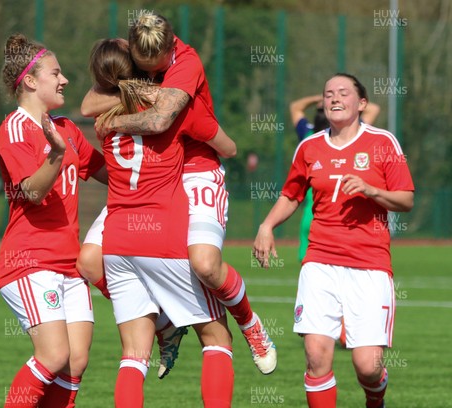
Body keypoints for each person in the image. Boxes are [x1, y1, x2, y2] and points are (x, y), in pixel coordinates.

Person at [81, 11, 277, 377]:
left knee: (204, 264)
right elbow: (88, 104)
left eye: (153, 67)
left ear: (170, 50)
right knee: (90, 262)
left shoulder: (186, 63)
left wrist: (117, 118)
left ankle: (250, 325)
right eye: (139, 66)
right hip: (149, 183)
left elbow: (163, 121)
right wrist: (132, 90)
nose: (145, 71)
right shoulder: (135, 54)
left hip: (194, 171)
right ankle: (165, 325)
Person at [87, 38, 236, 407]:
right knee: (216, 336)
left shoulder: (102, 120)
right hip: (161, 227)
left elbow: (89, 103)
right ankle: (185, 324)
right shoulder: (176, 108)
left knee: (132, 353)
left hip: (123, 233)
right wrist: (155, 95)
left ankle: (164, 324)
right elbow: (227, 147)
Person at [254, 73, 414, 408]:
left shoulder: (383, 143)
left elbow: (405, 199)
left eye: (343, 93)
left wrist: (372, 190)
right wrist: (267, 225)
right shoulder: (309, 146)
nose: (334, 99)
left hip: (369, 265)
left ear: (362, 104)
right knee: (316, 356)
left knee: (367, 365)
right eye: (329, 94)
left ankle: (375, 398)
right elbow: (291, 194)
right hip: (320, 262)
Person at [0, 33, 107, 408]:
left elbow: (109, 171)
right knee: (54, 356)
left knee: (75, 362)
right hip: (29, 262)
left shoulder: (68, 129)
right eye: (56, 73)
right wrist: (55, 156)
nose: (65, 80)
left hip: (70, 265)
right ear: (30, 80)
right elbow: (30, 192)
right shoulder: (15, 129)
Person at [290, 95, 381, 348]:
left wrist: (318, 99)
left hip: (312, 215)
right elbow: (373, 108)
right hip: (338, 215)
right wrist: (341, 101)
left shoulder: (307, 138)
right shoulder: (351, 135)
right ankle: (346, 331)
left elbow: (295, 106)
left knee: (315, 275)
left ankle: (320, 325)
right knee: (346, 278)